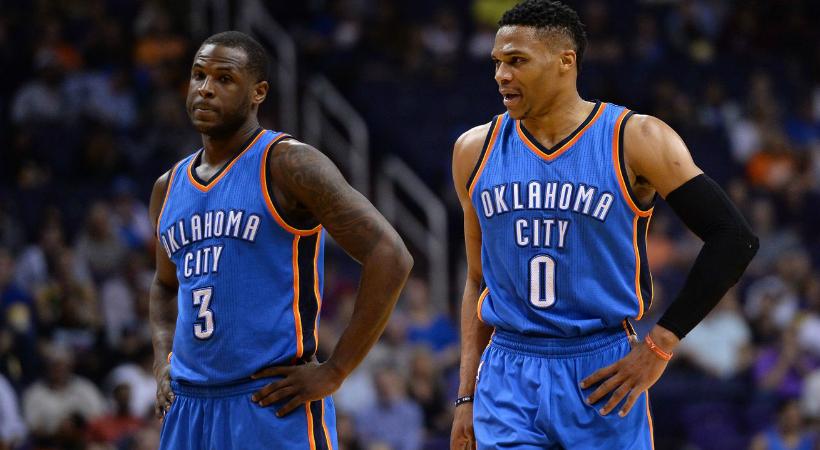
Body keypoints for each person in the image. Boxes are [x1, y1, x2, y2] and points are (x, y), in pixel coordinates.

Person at [449, 1, 759, 449]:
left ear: (565, 61)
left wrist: (661, 343)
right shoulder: (473, 150)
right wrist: (465, 396)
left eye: (517, 61)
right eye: (497, 62)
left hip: (602, 370)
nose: (501, 75)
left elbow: (734, 238)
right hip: (507, 372)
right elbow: (477, 281)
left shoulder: (636, 138)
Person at [149, 31, 413, 450]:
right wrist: (163, 359)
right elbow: (165, 286)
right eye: (199, 75)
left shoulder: (288, 164)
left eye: (224, 79)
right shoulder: (168, 186)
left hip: (269, 402)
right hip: (189, 406)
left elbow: (390, 254)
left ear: (258, 92)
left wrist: (335, 370)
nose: (205, 88)